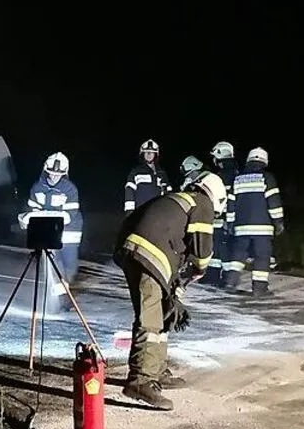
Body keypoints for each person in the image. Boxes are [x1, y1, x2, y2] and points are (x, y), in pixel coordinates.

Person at [113, 174, 225, 409]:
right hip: (149, 255)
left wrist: (173, 291)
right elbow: (202, 249)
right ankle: (141, 380)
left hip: (133, 251)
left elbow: (168, 241)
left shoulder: (177, 200)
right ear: (217, 198)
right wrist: (199, 269)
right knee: (150, 319)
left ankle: (157, 370)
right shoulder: (202, 202)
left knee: (162, 311)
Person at [18, 152, 82, 311]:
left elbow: (69, 215)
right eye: (51, 173)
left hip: (69, 235)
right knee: (55, 266)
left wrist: (45, 216)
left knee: (70, 267)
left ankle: (65, 292)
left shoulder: (70, 189)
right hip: (50, 234)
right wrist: (28, 218)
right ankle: (62, 300)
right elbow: (33, 209)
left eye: (58, 174)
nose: (54, 176)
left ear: (64, 173)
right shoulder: (37, 187)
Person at [222, 147, 284, 296]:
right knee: (262, 257)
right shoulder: (267, 178)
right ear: (264, 161)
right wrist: (278, 222)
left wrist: (230, 223)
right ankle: (259, 289)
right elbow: (274, 203)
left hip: (241, 227)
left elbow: (231, 204)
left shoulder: (237, 179)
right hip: (262, 228)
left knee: (238, 256)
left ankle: (230, 283)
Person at [203, 141, 239, 286]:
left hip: (222, 218)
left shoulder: (222, 176)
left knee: (220, 248)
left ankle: (219, 278)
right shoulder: (236, 174)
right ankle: (220, 277)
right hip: (231, 218)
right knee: (222, 248)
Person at [123, 139, 170, 214]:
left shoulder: (161, 173)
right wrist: (130, 211)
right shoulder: (136, 171)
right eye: (146, 152)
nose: (149, 154)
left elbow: (168, 193)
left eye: (151, 152)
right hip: (141, 212)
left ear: (155, 155)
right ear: (142, 154)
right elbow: (129, 190)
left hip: (158, 212)